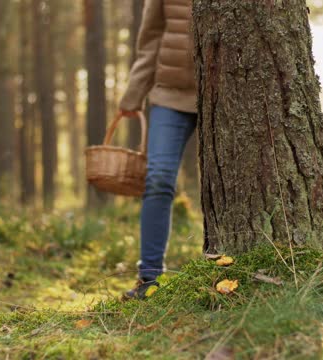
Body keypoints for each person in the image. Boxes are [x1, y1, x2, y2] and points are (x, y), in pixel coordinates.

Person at [119, 0, 196, 299]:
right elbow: (151, 39)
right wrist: (134, 92)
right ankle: (149, 278)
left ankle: (228, 267)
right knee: (159, 178)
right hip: (169, 96)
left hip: (222, 90)